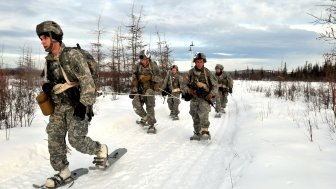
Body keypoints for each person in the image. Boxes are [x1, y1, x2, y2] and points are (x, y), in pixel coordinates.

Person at [36, 21, 108, 188]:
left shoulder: (72, 56)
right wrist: (47, 87)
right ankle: (63, 171)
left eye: (45, 37)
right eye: (41, 38)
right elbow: (54, 81)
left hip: (77, 103)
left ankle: (99, 149)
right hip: (59, 105)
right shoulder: (48, 60)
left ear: (55, 38)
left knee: (76, 140)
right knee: (54, 137)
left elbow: (88, 82)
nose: (42, 41)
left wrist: (84, 104)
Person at [182, 52, 218, 140]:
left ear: (204, 62)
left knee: (204, 114)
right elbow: (183, 85)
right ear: (195, 62)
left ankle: (205, 131)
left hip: (204, 98)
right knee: (195, 115)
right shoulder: (190, 73)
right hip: (194, 98)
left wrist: (211, 94)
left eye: (201, 61)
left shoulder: (208, 73)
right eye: (197, 61)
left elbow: (215, 85)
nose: (199, 63)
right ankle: (197, 132)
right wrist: (189, 90)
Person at [129, 49, 161, 134]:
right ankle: (145, 117)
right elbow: (133, 76)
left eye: (145, 60)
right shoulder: (137, 66)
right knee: (135, 104)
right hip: (140, 89)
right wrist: (134, 85)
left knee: (149, 105)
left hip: (150, 89)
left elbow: (159, 78)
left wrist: (150, 77)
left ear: (148, 58)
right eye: (141, 60)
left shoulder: (153, 66)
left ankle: (151, 125)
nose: (143, 61)